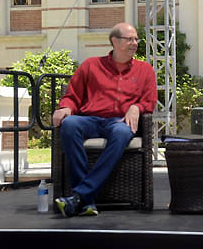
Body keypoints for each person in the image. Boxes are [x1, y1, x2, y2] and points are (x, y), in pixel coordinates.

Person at [52, 22, 157, 217]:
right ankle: (85, 200)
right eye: (129, 39)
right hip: (89, 119)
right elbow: (72, 95)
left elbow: (149, 101)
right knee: (69, 124)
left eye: (136, 39)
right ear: (114, 41)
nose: (135, 43)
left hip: (119, 122)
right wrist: (65, 107)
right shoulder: (90, 65)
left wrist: (137, 107)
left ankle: (79, 198)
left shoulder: (145, 70)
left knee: (121, 132)